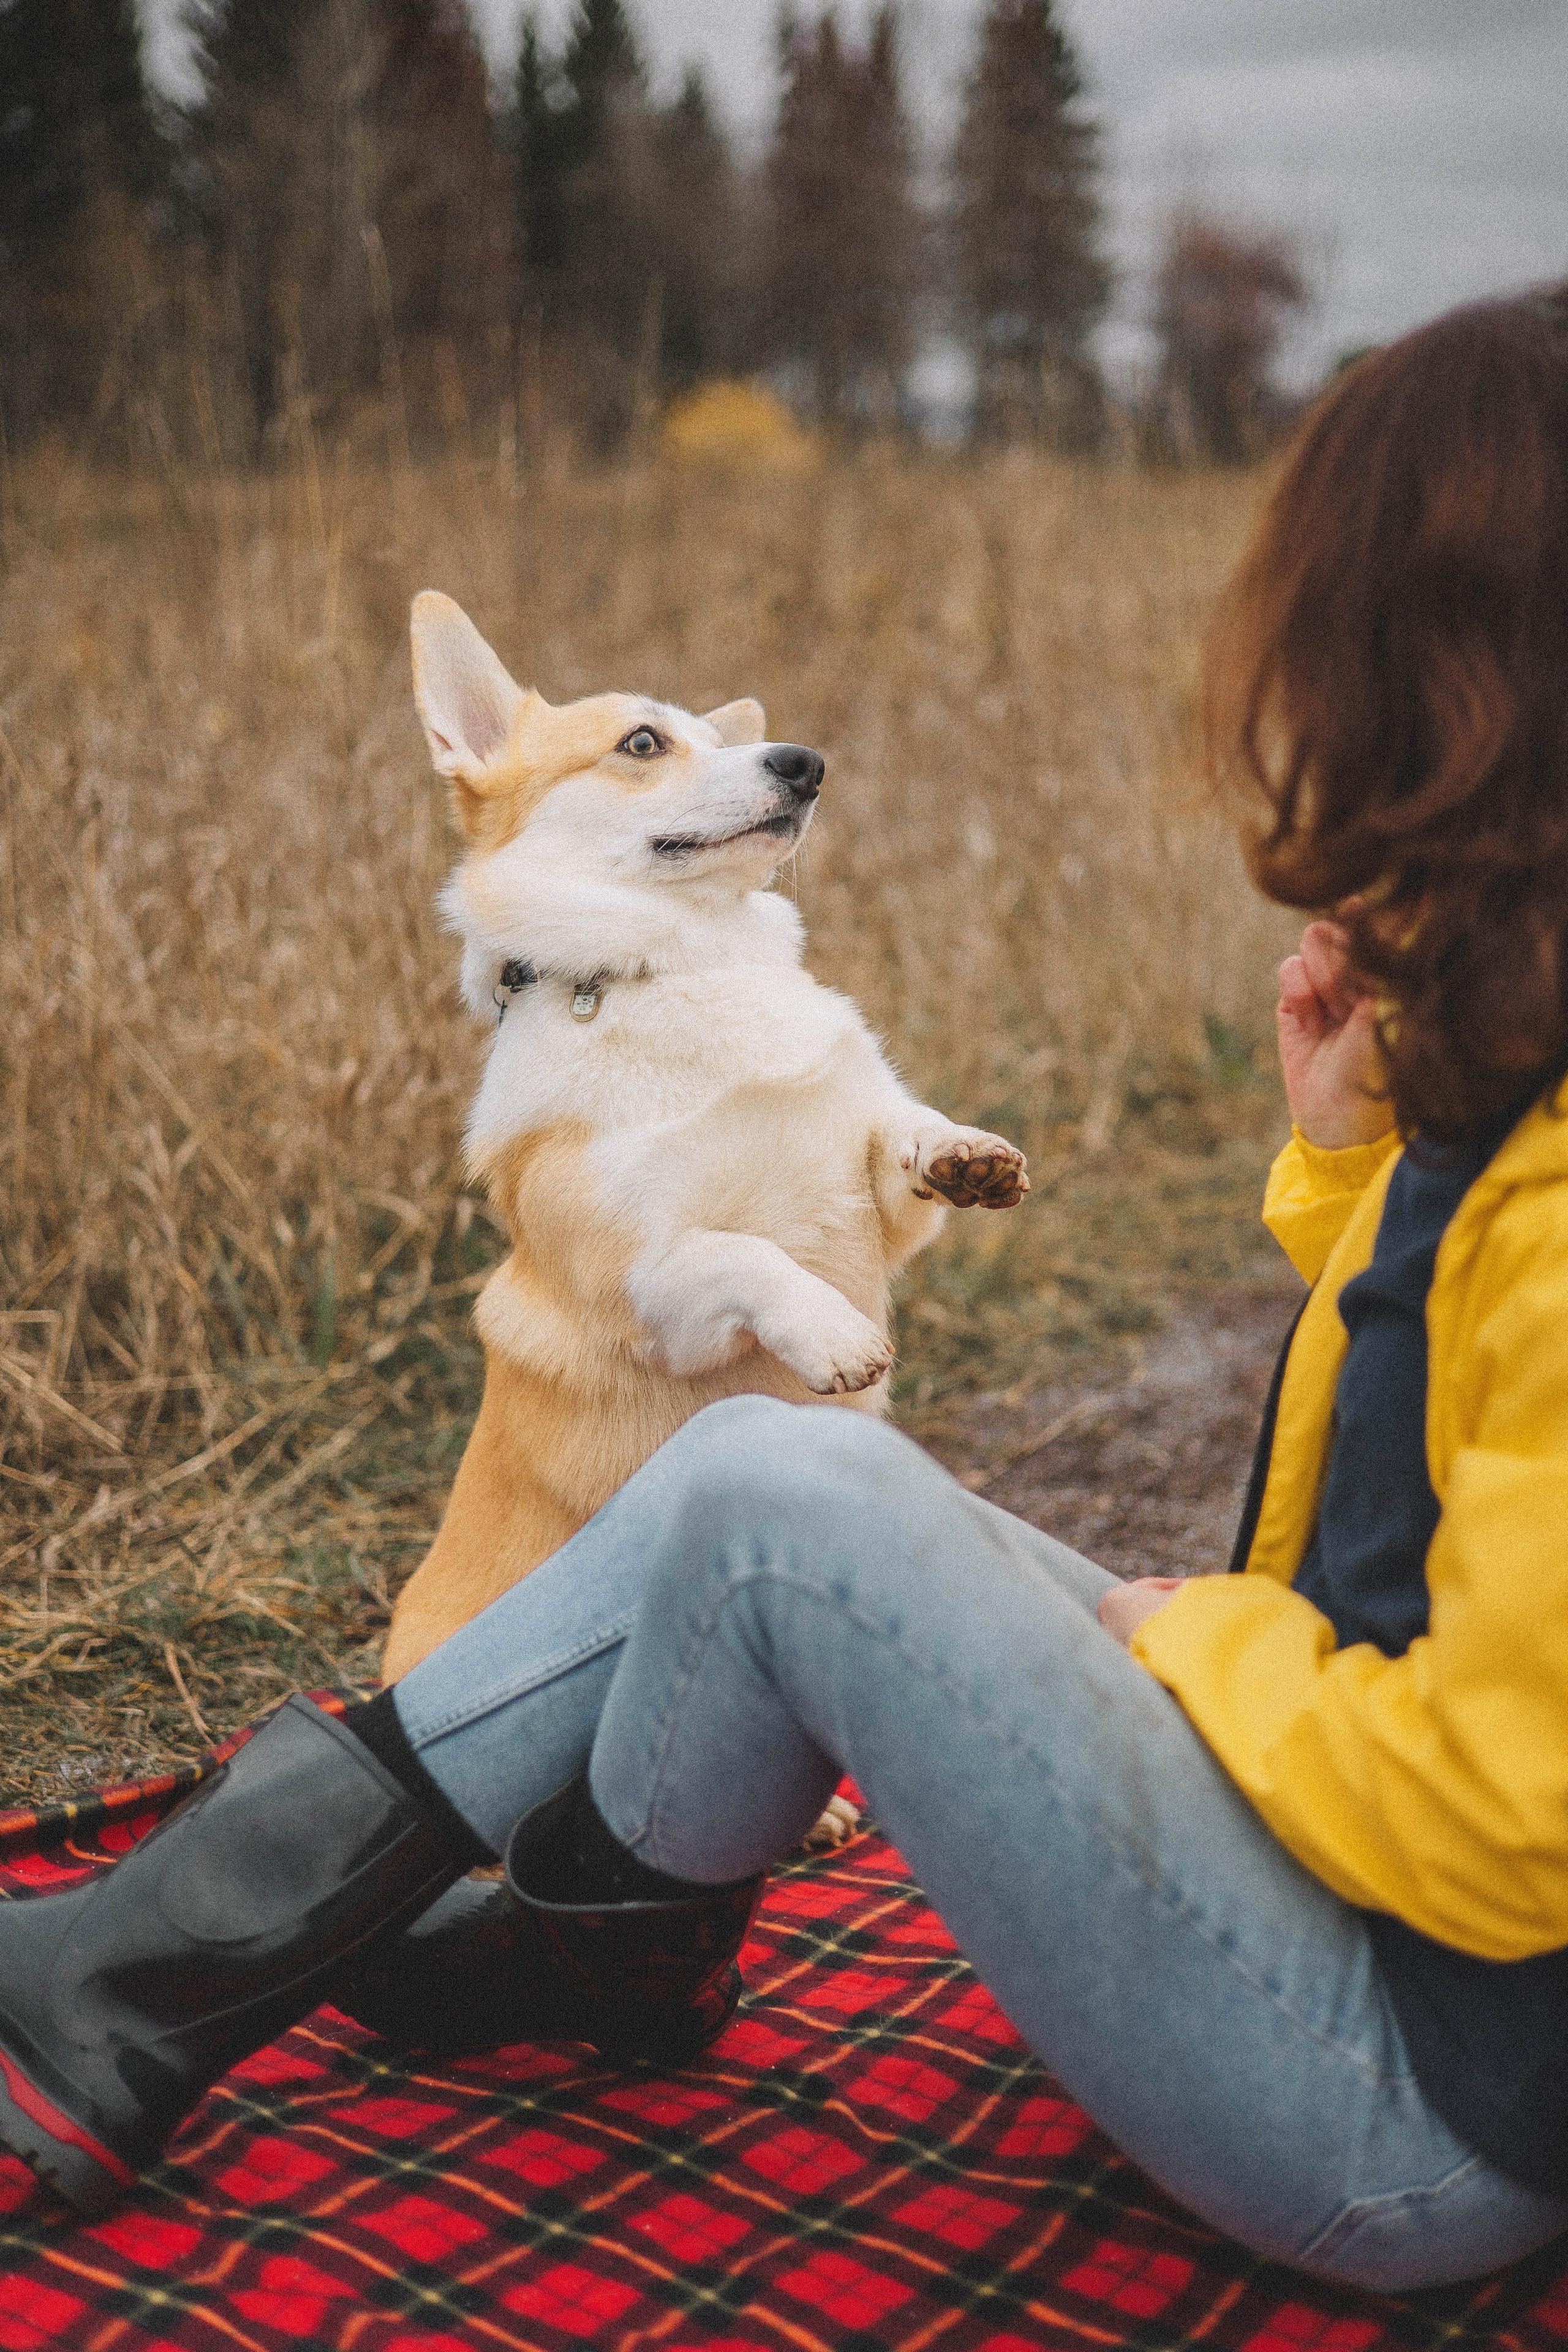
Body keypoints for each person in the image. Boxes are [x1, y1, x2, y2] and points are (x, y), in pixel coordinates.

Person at [2, 285, 1567, 2291]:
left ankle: (157, 1977)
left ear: (1440, 678)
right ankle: (560, 1957)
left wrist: (1196, 1646)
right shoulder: (1515, 1054)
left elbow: (1516, 1822)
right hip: (1394, 1956)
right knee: (768, 1483)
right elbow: (1434, 1432)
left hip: (1422, 2111)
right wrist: (1353, 1147)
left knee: (790, 1501)